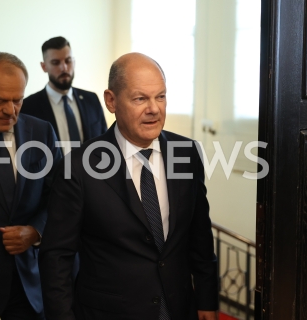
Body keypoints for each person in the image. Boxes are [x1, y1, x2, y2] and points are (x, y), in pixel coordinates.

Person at [38, 53, 219, 320]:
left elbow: (200, 236)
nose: (154, 109)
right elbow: (57, 257)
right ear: (111, 101)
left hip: (178, 308)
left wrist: (206, 299)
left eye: (160, 96)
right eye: (140, 98)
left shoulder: (186, 153)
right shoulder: (78, 166)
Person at [0, 52, 62, 320]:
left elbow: (61, 197)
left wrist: (35, 231)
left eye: (17, 100)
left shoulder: (42, 133)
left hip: (29, 285)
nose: (10, 111)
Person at [21, 36, 107, 153]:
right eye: (56, 63)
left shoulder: (91, 99)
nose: (64, 68)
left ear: (74, 61)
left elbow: (105, 142)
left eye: (68, 61)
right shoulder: (29, 107)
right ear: (44, 66)